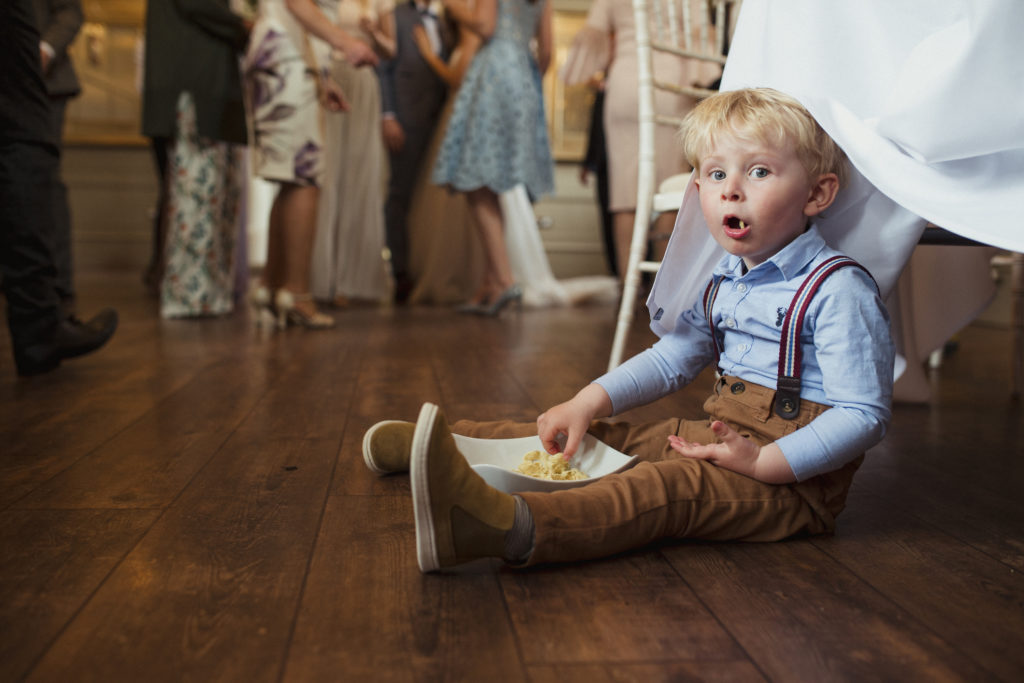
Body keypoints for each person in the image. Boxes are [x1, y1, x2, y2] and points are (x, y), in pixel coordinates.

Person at [364, 88, 896, 572]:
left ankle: (508, 527)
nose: (731, 191)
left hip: (792, 484)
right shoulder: (728, 278)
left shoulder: (838, 288)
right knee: (598, 442)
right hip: (717, 438)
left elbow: (863, 414)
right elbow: (675, 356)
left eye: (758, 172)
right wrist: (588, 403)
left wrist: (764, 462)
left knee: (660, 491)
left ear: (818, 194)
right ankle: (447, 447)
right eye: (715, 174)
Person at [561, 0, 719, 280]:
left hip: (624, 84)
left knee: (623, 194)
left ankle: (628, 285)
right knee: (668, 187)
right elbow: (701, 34)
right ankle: (663, 285)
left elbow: (593, 31)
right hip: (670, 85)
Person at [244, 0, 377, 328]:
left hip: (285, 60)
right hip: (289, 63)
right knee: (306, 178)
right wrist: (347, 42)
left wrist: (322, 79)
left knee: (289, 178)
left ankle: (272, 285)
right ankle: (298, 293)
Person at [2, 0, 117, 376]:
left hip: (46, 73)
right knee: (25, 143)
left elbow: (69, 9)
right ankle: (39, 328)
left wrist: (45, 49)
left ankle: (44, 315)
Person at [431, 0, 555, 315]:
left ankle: (503, 280)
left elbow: (485, 26)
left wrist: (455, 9)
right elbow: (548, 52)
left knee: (477, 181)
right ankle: (490, 285)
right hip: (523, 75)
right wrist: (524, 75)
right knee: (495, 182)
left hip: (494, 72)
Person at [142, 0, 252, 318]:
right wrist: (247, 25)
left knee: (217, 195)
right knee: (194, 195)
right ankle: (189, 293)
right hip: (194, 82)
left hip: (213, 83)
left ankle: (210, 292)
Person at [311, 0, 396, 308]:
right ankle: (322, 276)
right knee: (327, 175)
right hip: (329, 75)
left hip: (362, 82)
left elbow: (391, 49)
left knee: (357, 180)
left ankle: (350, 279)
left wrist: (374, 32)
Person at [377, 0, 453, 304]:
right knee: (401, 196)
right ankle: (402, 274)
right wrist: (389, 115)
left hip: (443, 120)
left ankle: (430, 269)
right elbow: (384, 69)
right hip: (407, 119)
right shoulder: (394, 16)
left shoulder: (451, 18)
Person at [31, 0, 83, 314]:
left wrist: (44, 51)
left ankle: (57, 280)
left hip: (46, 83)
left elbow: (70, 12)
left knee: (45, 179)